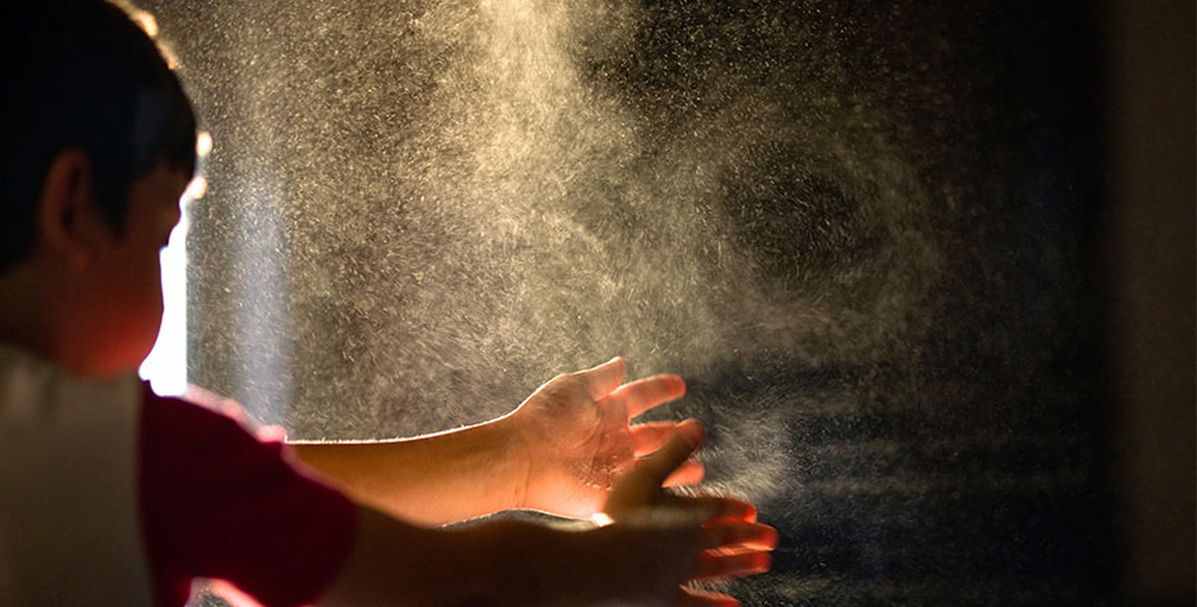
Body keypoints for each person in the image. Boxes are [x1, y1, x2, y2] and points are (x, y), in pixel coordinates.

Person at [0, 2, 777, 606]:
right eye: (159, 240)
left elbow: (253, 493)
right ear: (70, 206)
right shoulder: (143, 457)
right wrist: (623, 558)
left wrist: (517, 460)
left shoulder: (125, 463)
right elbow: (457, 586)